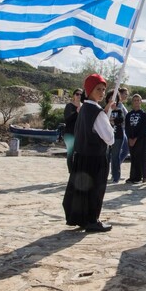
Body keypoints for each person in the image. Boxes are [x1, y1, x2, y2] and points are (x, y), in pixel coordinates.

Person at [62, 74, 115, 232]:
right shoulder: (97, 112)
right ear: (89, 90)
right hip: (95, 158)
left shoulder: (84, 108)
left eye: (104, 89)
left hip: (82, 156)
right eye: (98, 89)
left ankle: (81, 218)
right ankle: (92, 220)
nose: (102, 92)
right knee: (95, 189)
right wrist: (106, 118)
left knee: (81, 190)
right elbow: (110, 138)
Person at [125, 94, 146, 184]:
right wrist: (130, 138)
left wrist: (136, 138)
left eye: (138, 100)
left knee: (139, 158)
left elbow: (143, 128)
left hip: (140, 139)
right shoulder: (128, 115)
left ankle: (138, 177)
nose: (136, 102)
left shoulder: (144, 115)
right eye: (135, 100)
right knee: (133, 157)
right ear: (132, 102)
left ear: (141, 102)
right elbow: (126, 127)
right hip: (130, 139)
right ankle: (132, 176)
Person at [105, 89, 126, 183]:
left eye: (114, 98)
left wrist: (112, 120)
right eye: (110, 98)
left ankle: (115, 176)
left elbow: (120, 120)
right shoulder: (104, 109)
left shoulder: (119, 111)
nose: (112, 100)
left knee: (115, 156)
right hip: (106, 136)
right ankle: (103, 174)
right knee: (105, 156)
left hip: (117, 136)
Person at [62, 88, 82, 172]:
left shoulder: (83, 106)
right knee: (70, 153)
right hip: (70, 133)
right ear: (74, 95)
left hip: (80, 133)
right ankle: (71, 172)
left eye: (81, 94)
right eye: (77, 94)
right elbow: (67, 119)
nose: (79, 96)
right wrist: (76, 112)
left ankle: (76, 171)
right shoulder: (69, 106)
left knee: (79, 153)